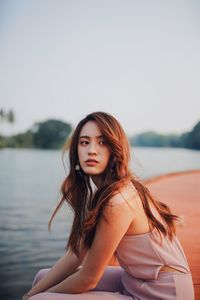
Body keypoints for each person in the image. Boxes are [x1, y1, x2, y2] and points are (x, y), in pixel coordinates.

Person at [22, 111, 194, 300]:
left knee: (40, 299)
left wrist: (34, 296)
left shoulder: (118, 201)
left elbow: (88, 279)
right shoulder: (106, 192)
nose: (92, 150)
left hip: (163, 292)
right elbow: (76, 254)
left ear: (115, 149)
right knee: (41, 278)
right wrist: (32, 292)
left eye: (102, 142)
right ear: (76, 150)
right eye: (84, 142)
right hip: (136, 279)